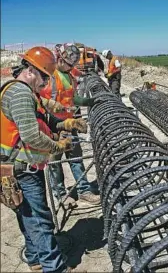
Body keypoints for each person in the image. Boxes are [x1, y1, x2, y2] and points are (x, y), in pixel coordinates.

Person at [0, 46, 85, 272]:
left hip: (21, 166)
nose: (46, 83)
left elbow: (45, 121)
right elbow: (30, 135)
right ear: (30, 70)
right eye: (44, 77)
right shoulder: (18, 94)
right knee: (39, 220)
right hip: (22, 168)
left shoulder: (29, 94)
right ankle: (54, 267)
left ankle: (35, 257)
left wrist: (67, 123)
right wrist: (57, 145)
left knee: (28, 216)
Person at [40, 43, 101, 206]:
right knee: (54, 162)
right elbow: (40, 102)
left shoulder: (70, 76)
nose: (70, 67)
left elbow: (73, 98)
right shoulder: (49, 77)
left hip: (70, 123)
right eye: (68, 64)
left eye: (72, 65)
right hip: (53, 126)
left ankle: (84, 191)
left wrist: (90, 101)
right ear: (59, 59)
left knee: (76, 158)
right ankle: (60, 194)